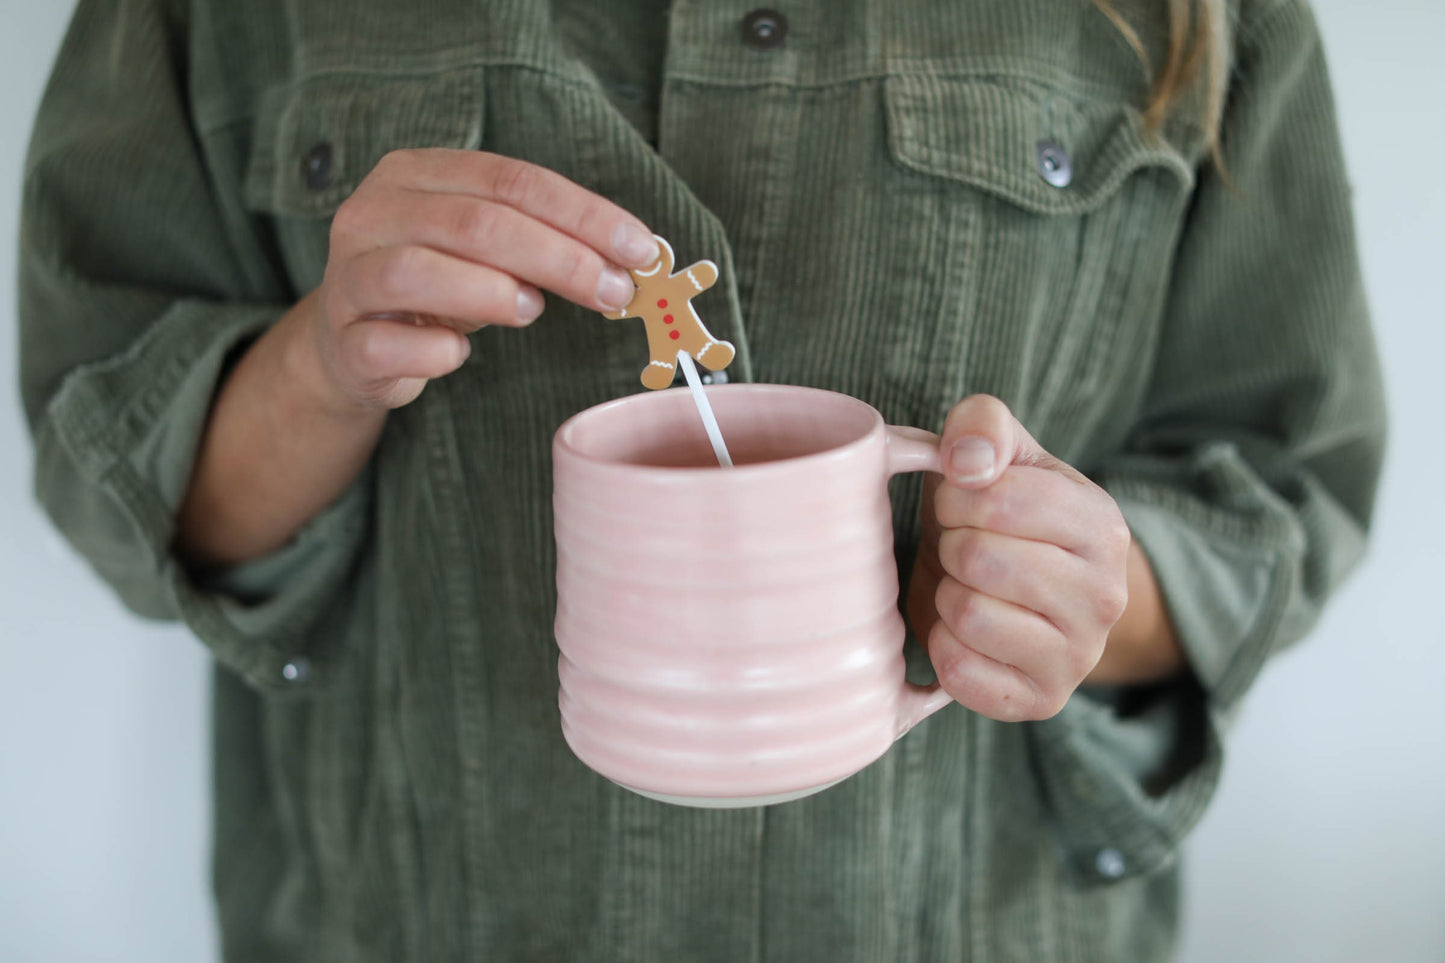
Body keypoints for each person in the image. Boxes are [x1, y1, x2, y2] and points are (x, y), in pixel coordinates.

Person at [18, 0, 1384, 959]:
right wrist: (317, 366)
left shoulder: (1197, 19)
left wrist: (1075, 587)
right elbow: (118, 476)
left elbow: (1275, 482)